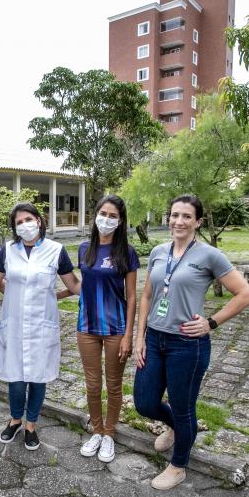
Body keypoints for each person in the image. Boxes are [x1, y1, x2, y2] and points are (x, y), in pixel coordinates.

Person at [133, 194, 249, 490]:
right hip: (155, 339)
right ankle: (175, 427)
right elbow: (148, 294)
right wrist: (140, 337)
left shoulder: (210, 255)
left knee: (184, 406)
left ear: (197, 222)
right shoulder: (159, 251)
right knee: (145, 402)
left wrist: (211, 322)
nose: (179, 221)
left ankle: (178, 466)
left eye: (187, 216)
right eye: (175, 215)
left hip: (187, 344)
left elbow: (245, 294)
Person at [0, 203, 80, 450]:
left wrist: (104, 289)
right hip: (14, 323)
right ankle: (15, 419)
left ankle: (31, 425)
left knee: (38, 377)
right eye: (18, 222)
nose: (24, 224)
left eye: (28, 219)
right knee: (16, 378)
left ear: (39, 220)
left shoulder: (56, 250)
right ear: (14, 227)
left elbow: (74, 285)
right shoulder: (8, 250)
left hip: (41, 325)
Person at [71, 195, 139, 463]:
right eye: (103, 213)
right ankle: (96, 430)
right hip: (86, 326)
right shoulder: (84, 248)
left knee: (113, 385)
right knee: (91, 383)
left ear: (120, 221)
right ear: (95, 215)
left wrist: (128, 335)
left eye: (113, 216)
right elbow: (81, 284)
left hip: (115, 328)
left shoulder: (127, 252)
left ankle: (110, 434)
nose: (106, 219)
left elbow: (132, 296)